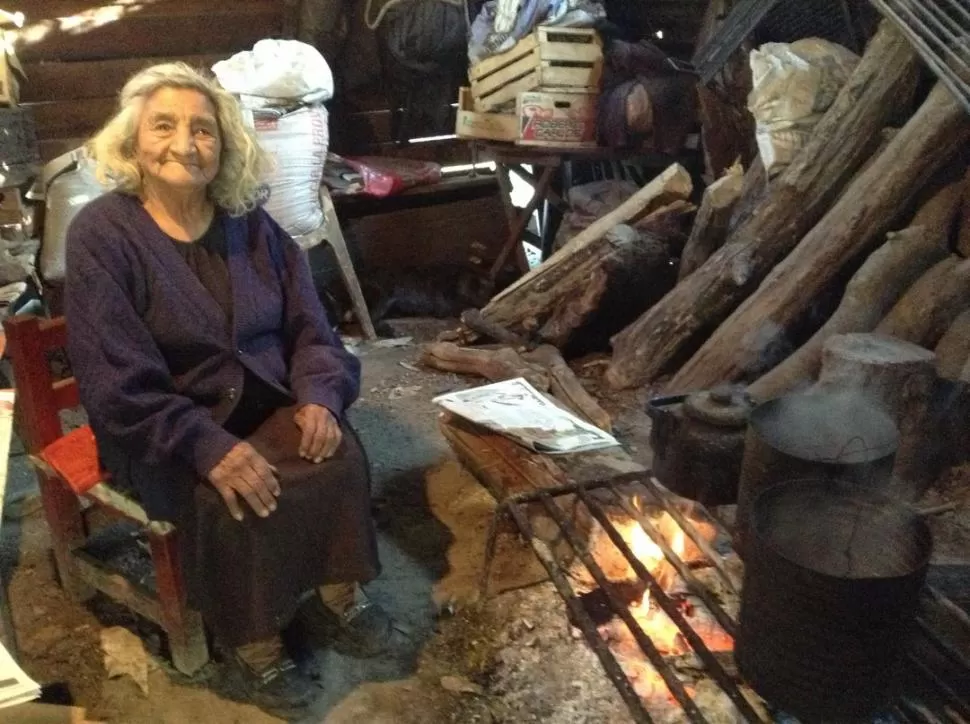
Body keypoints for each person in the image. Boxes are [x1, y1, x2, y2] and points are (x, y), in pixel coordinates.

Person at [64, 63, 388, 719]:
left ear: (225, 146)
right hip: (161, 430)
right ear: (132, 142)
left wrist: (321, 394)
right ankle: (256, 641)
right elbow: (116, 381)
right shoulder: (102, 234)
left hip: (265, 399)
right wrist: (204, 444)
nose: (186, 143)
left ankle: (334, 586)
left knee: (338, 454)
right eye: (165, 126)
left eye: (203, 130)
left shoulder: (251, 224)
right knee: (233, 493)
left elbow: (311, 328)